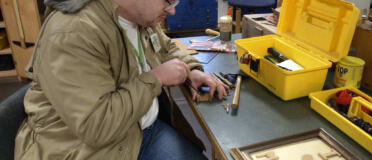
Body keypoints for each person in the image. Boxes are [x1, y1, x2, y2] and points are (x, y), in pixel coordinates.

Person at [14, 0, 228, 159]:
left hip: (140, 129)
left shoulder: (139, 17)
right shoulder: (74, 32)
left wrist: (191, 70)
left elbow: (165, 47)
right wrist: (155, 79)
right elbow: (96, 126)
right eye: (167, 1)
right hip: (84, 149)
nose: (172, 10)